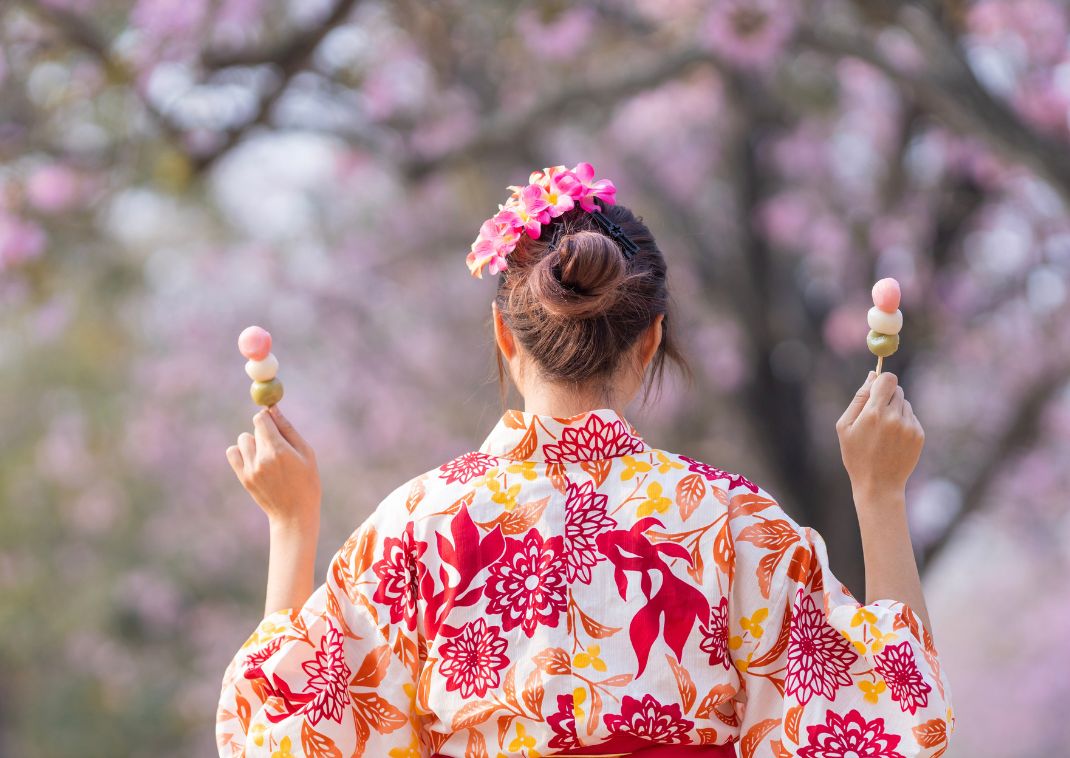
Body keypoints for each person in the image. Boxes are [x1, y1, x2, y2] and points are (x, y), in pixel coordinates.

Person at [216, 164, 953, 757]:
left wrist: (292, 524)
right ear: (651, 340)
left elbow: (287, 730)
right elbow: (894, 725)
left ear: (505, 337)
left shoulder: (415, 530)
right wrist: (880, 493)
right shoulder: (731, 525)